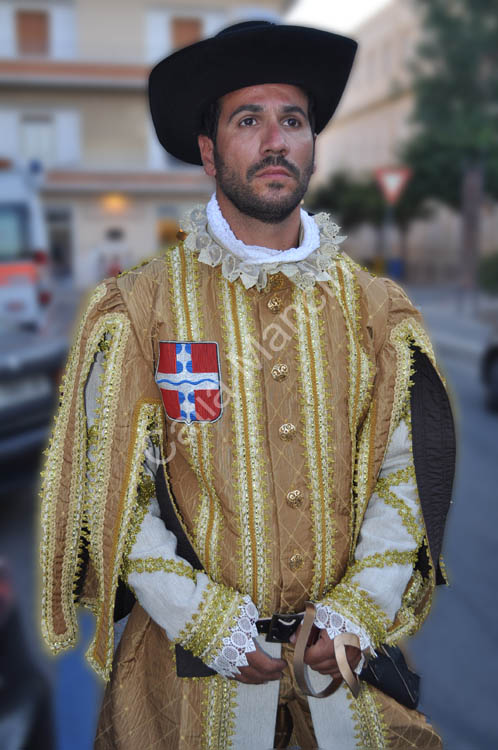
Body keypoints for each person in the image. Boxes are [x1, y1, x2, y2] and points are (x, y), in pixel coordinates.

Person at [39, 20, 455, 749]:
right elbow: (116, 489)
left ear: (312, 145)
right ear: (208, 152)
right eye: (249, 120)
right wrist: (200, 617)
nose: (275, 140)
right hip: (186, 683)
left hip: (342, 674)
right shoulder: (143, 309)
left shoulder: (373, 311)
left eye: (292, 120)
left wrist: (362, 602)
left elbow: (401, 473)